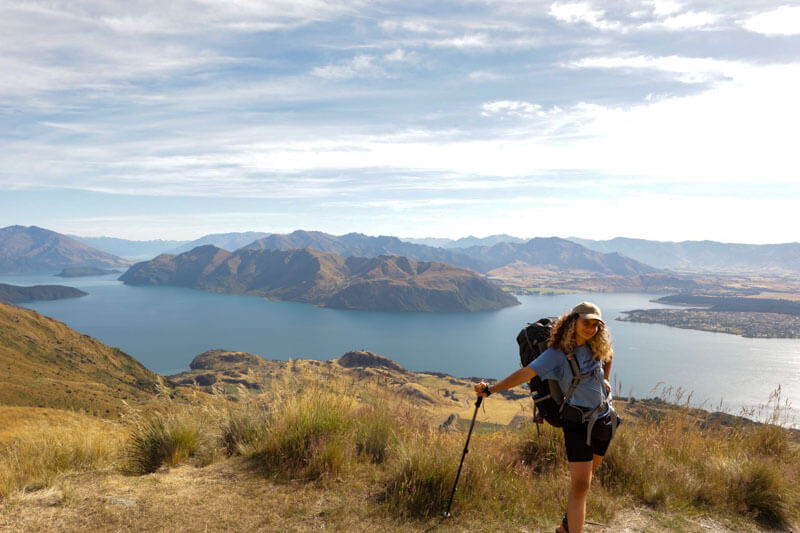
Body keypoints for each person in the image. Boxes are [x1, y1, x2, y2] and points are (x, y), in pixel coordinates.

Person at [474, 301, 616, 533]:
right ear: (573, 322)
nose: (591, 328)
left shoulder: (596, 345)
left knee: (585, 483)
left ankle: (565, 527)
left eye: (596, 325)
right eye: (586, 323)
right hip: (578, 425)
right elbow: (525, 373)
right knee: (580, 486)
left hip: (604, 420)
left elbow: (608, 355)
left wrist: (606, 379)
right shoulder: (557, 354)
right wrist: (491, 389)